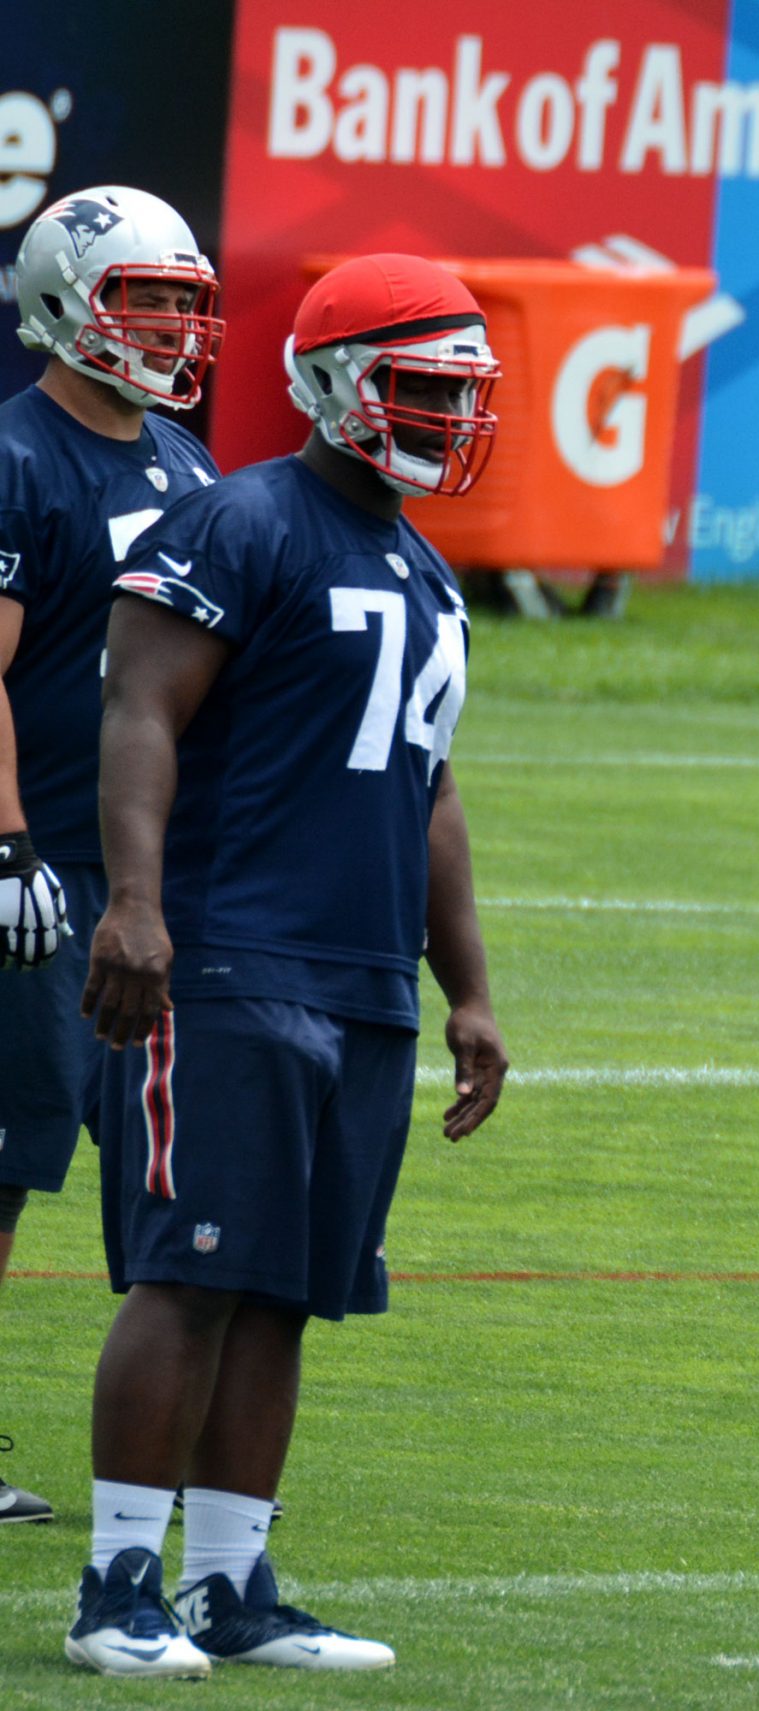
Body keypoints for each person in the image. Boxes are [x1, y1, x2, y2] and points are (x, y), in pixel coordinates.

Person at [64, 253, 509, 1680]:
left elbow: (431, 789)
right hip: (231, 956)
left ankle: (230, 1584)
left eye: (460, 391)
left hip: (362, 974)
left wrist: (468, 987)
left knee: (285, 1288)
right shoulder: (239, 520)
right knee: (193, 1271)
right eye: (420, 386)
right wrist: (137, 905)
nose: (446, 417)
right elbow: (140, 709)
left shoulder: (427, 572)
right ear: (330, 382)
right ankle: (116, 1583)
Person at [0, 185, 224, 1531]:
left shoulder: (189, 464)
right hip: (39, 867)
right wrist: (6, 844)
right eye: (142, 301)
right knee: (5, 1156)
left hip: (150, 875)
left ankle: (171, 1451)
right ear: (60, 304)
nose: (168, 329)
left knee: (176, 1168)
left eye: (181, 304)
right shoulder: (17, 456)